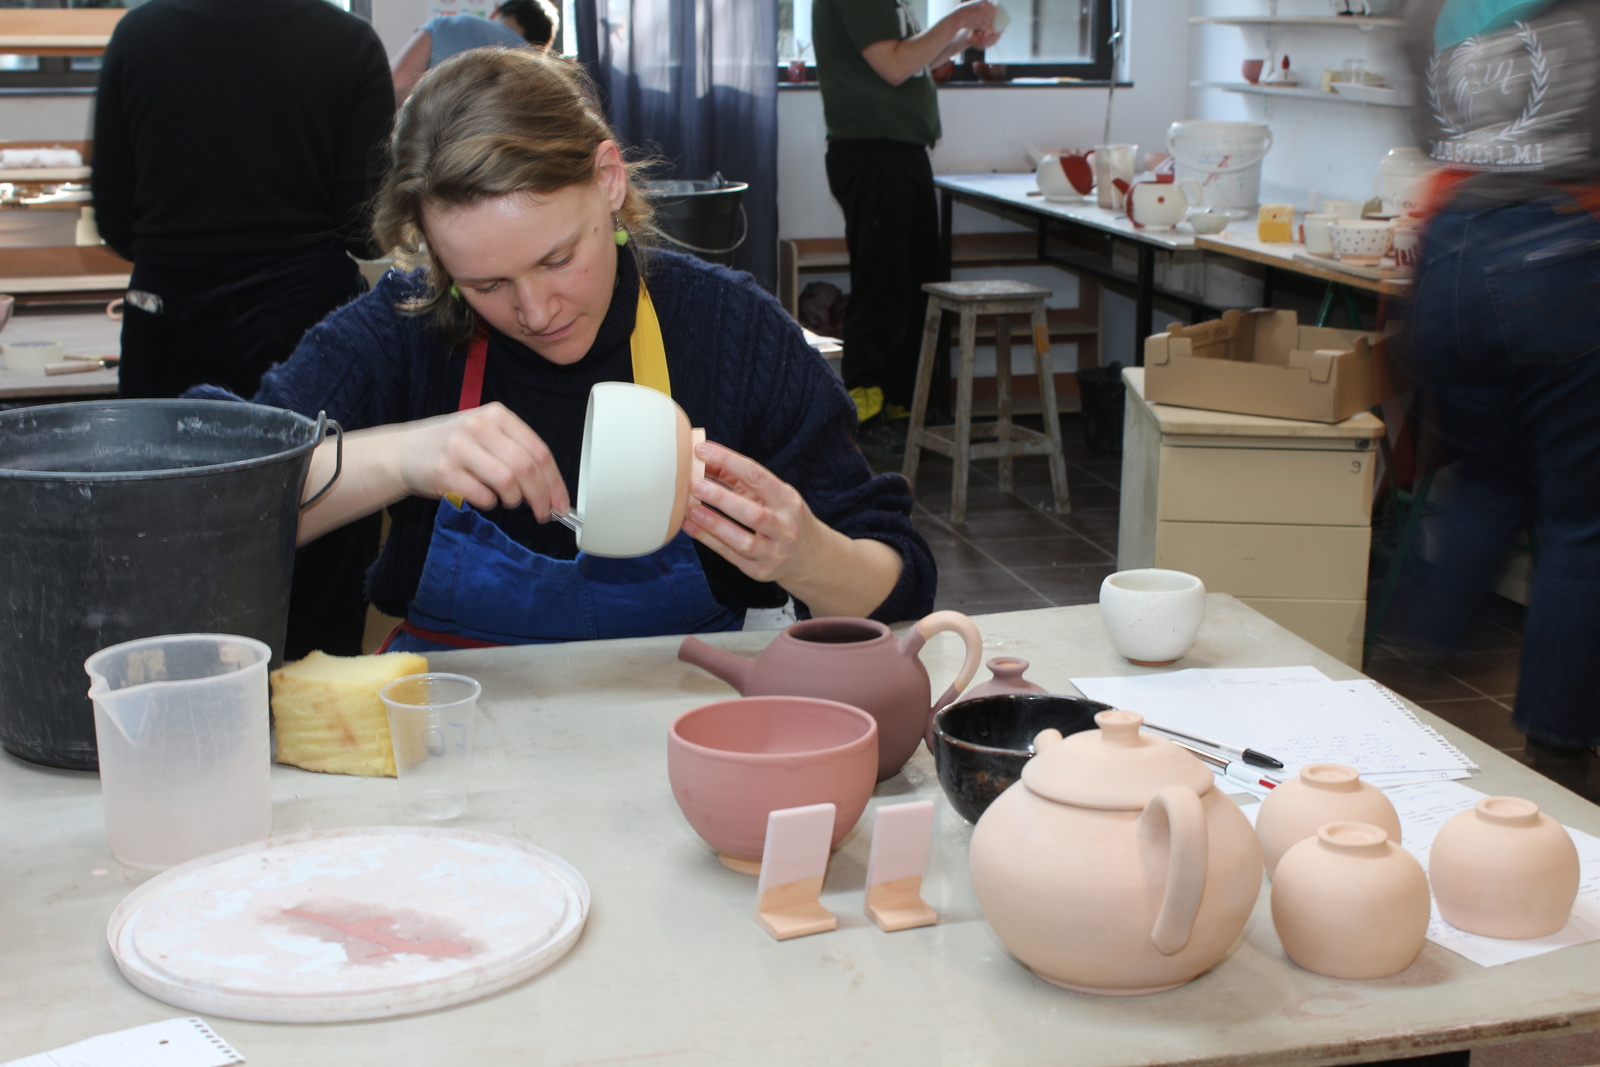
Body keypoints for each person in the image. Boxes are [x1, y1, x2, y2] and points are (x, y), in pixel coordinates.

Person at [195, 48, 935, 652]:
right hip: (455, 734)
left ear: (609, 181)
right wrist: (401, 456)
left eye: (557, 259)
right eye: (485, 283)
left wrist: (805, 554)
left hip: (678, 724)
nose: (536, 311)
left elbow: (901, 583)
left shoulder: (728, 330)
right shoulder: (407, 329)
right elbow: (200, 501)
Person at [90, 0, 395, 660]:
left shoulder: (140, 35)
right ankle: (315, 711)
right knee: (318, 558)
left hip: (171, 318)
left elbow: (114, 215)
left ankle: (175, 709)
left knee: (165, 546)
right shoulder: (346, 42)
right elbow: (365, 224)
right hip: (311, 324)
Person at [1397, 0, 1600, 798]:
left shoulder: (1428, 10)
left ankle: (1416, 663)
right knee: (1580, 518)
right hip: (1561, 250)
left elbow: (1427, 131)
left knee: (1488, 479)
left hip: (1449, 253)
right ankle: (1558, 744)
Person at [812, 0, 1001, 455]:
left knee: (915, 284)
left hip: (902, 151)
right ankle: (866, 413)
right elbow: (895, 66)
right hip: (872, 153)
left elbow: (917, 59)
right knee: (882, 286)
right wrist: (958, 18)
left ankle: (904, 406)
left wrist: (961, 40)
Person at [390, 0, 559, 106]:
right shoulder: (541, 70)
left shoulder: (445, 24)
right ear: (544, 46)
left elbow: (397, 84)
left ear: (496, 12)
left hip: (436, 143)